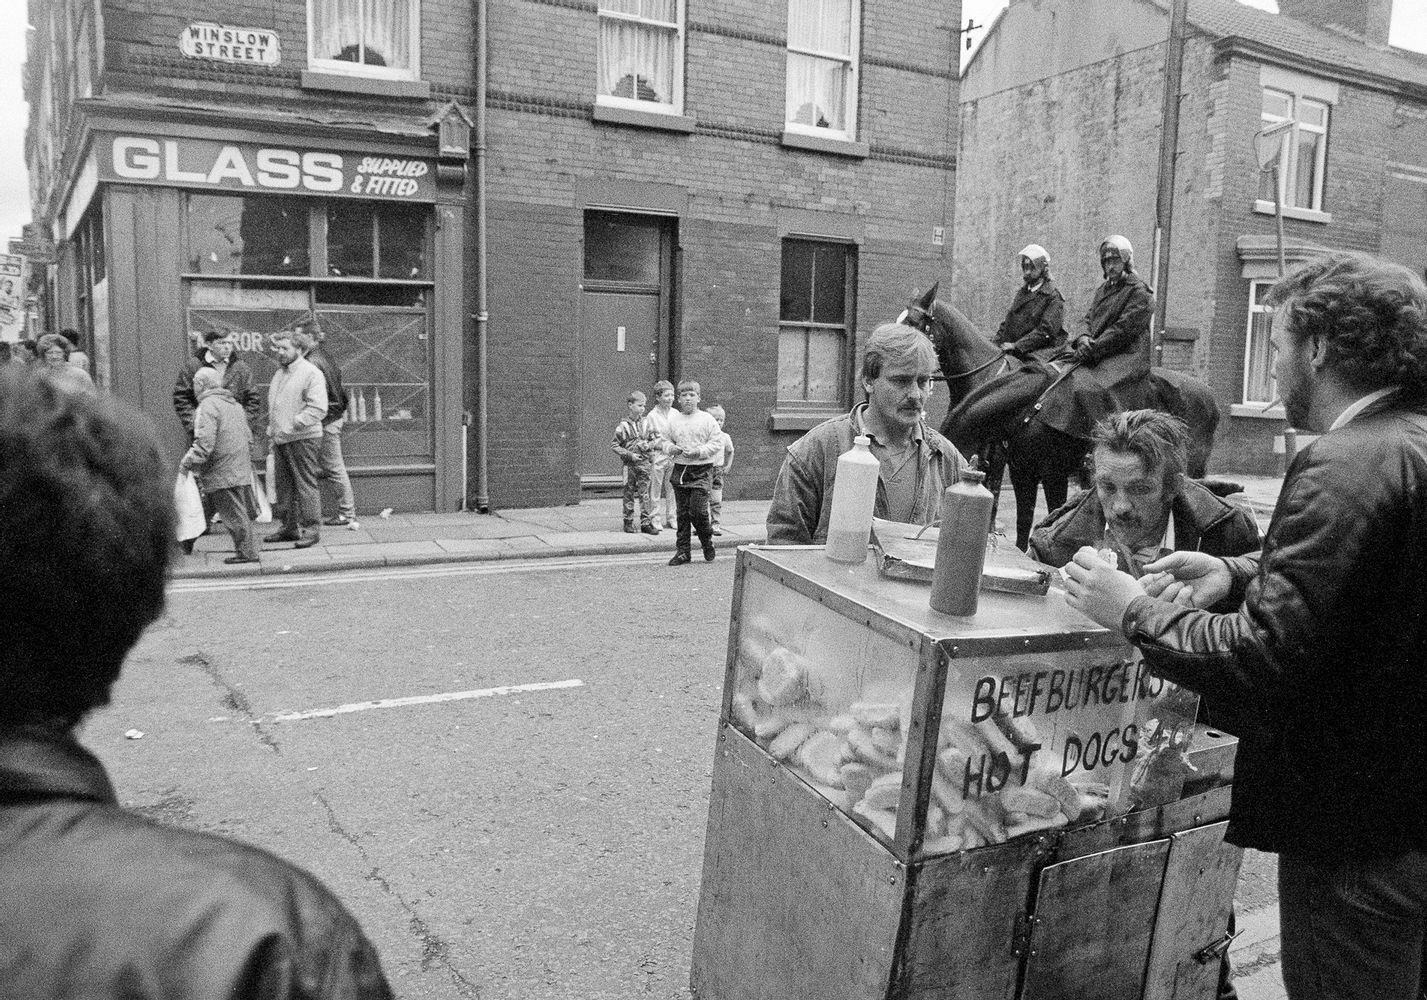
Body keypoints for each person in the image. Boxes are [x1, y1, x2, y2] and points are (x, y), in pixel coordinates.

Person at [1062, 251, 1427, 1000]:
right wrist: (1236, 572)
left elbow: (1262, 658)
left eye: (1277, 345)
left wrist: (1131, 608)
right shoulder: (1411, 442)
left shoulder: (1342, 459)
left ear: (1318, 348)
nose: (1273, 369)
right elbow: (1381, 584)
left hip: (1354, 836)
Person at [0, 368, 393, 998]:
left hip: (250, 462)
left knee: (244, 512)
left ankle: (259, 545)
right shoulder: (264, 939)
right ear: (133, 611)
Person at [767, 322, 967, 544]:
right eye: (901, 380)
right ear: (868, 381)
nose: (915, 394)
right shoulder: (816, 450)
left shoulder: (948, 460)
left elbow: (965, 549)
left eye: (922, 381)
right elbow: (784, 548)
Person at [1029, 409, 1260, 584]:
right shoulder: (1055, 546)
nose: (1120, 507)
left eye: (1139, 489)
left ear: (1173, 487)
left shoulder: (1227, 533)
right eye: (1108, 487)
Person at [180, 368, 260, 564]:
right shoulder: (234, 405)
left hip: (220, 469)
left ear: (200, 385)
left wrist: (188, 461)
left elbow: (204, 443)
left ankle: (248, 552)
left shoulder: (207, 406)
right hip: (236, 465)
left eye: (195, 384)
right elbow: (248, 438)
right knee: (206, 506)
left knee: (233, 513)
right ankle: (184, 542)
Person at [265, 330, 327, 549]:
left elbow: (318, 408)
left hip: (303, 438)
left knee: (305, 485)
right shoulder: (281, 373)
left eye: (285, 348)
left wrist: (294, 423)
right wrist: (273, 428)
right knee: (284, 486)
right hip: (282, 437)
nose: (280, 353)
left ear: (299, 349)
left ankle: (311, 530)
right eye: (278, 348)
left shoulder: (311, 372)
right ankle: (289, 527)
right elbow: (277, 405)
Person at [299, 320, 359, 530]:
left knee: (333, 467)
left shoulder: (312, 361)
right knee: (332, 467)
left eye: (300, 335)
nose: (297, 339)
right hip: (332, 416)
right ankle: (344, 511)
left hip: (326, 420)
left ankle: (346, 513)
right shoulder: (324, 356)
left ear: (311, 337)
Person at [664, 379, 722, 565]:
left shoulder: (707, 419)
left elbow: (716, 444)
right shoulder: (673, 420)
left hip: (702, 470)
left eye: (692, 395)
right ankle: (683, 552)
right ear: (678, 399)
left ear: (699, 398)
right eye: (684, 395)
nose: (688, 399)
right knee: (682, 514)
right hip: (680, 470)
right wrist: (670, 448)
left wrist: (698, 451)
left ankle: (707, 542)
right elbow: (663, 441)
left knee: (698, 511)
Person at [172, 329, 261, 439]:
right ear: (209, 345)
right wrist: (194, 425)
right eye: (222, 343)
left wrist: (243, 425)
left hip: (234, 434)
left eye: (230, 343)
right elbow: (181, 397)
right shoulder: (194, 366)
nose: (227, 347)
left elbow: (253, 398)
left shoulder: (240, 367)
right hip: (204, 433)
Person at [995, 244, 1067, 361]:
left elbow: (1046, 332)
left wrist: (1017, 346)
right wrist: (996, 343)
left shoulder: (1053, 296)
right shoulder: (1022, 293)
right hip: (1016, 349)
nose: (1027, 272)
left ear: (1043, 270)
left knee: (1031, 374)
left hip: (1042, 351)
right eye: (1025, 267)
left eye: (1032, 268)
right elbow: (1008, 322)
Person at [612, 389, 659, 535]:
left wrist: (649, 445)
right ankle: (628, 521)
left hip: (644, 464)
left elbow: (656, 439)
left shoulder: (647, 423)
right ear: (630, 405)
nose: (642, 409)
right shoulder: (623, 426)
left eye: (644, 406)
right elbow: (614, 445)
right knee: (629, 493)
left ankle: (646, 522)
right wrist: (629, 454)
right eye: (639, 405)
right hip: (630, 465)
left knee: (645, 494)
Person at [646, 380, 677, 530]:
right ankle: (655, 517)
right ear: (658, 397)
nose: (670, 398)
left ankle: (672, 517)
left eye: (672, 395)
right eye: (666, 395)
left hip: (673, 456)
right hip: (658, 455)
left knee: (672, 488)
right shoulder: (652, 416)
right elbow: (648, 439)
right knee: (656, 488)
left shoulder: (676, 414)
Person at [706, 403, 735, 535]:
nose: (719, 422)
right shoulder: (705, 437)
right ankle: (704, 525)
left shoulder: (725, 437)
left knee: (716, 499)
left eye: (721, 420)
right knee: (702, 499)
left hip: (717, 471)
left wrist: (728, 465)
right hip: (704, 470)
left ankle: (716, 523)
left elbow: (730, 451)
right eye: (715, 420)